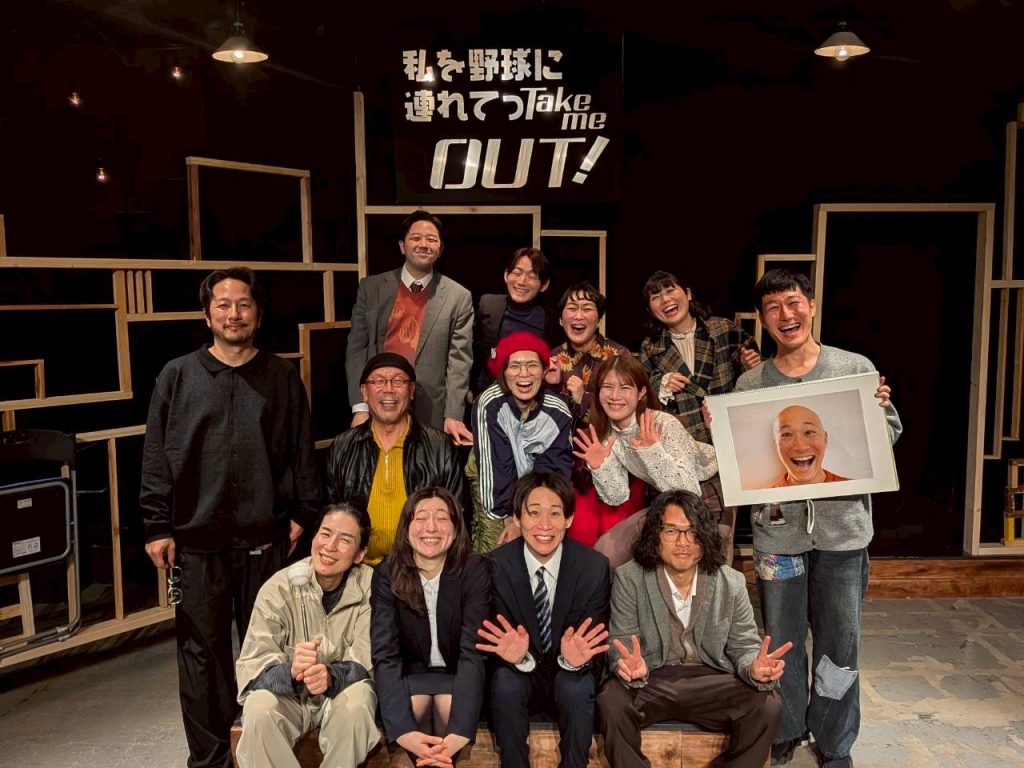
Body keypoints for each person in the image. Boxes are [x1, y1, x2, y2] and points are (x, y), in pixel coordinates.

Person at [140, 266, 320, 768]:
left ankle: (270, 752)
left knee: (272, 650)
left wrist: (304, 512)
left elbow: (301, 451)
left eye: (243, 304)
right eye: (223, 304)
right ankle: (211, 760)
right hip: (196, 541)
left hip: (266, 539)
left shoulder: (281, 376)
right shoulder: (178, 375)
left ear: (258, 315)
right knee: (202, 658)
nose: (233, 313)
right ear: (207, 314)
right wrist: (157, 525)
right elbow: (156, 455)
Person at [734, 268, 901, 768]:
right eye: (773, 308)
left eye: (793, 303)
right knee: (781, 641)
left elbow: (887, 438)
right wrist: (726, 429)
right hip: (777, 538)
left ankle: (834, 741)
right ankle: (786, 728)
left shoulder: (852, 368)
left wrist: (879, 412)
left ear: (811, 304)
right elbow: (744, 457)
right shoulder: (750, 383)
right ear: (763, 319)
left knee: (839, 645)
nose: (785, 315)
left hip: (843, 534)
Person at [598, 490, 790, 768]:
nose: (683, 542)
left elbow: (744, 644)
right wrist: (626, 665)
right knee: (611, 701)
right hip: (652, 677)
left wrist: (754, 667)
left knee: (768, 706)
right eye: (671, 531)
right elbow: (621, 640)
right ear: (655, 535)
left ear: (705, 537)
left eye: (692, 532)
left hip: (710, 679)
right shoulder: (630, 578)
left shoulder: (731, 582)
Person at [476, 472, 611, 768]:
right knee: (506, 683)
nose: (545, 525)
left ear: (569, 519)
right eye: (534, 513)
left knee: (576, 687)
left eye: (555, 514)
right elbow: (488, 643)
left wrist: (576, 660)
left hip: (569, 670)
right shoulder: (494, 566)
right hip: (519, 669)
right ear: (517, 518)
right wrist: (515, 657)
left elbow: (596, 646)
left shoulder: (593, 567)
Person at [235, 504, 379, 768]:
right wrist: (291, 671)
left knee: (359, 701)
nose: (330, 546)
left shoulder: (373, 587)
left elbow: (370, 660)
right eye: (325, 533)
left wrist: (331, 676)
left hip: (339, 694)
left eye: (345, 540)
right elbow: (252, 669)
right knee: (259, 707)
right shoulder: (278, 588)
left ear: (360, 554)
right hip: (293, 698)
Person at [370, 488, 490, 767]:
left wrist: (460, 731)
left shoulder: (474, 569)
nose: (431, 528)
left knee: (449, 707)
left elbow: (473, 653)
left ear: (456, 527)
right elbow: (385, 654)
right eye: (421, 517)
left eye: (442, 518)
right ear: (406, 526)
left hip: (460, 674)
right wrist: (402, 731)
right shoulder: (387, 573)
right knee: (414, 709)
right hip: (413, 674)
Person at [571, 355, 719, 568]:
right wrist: (601, 467)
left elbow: (689, 491)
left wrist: (652, 451)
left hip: (709, 491)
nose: (615, 396)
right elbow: (617, 496)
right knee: (607, 552)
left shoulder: (663, 424)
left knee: (700, 560)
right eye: (607, 387)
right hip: (666, 497)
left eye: (625, 387)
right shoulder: (608, 433)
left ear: (641, 392)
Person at [345, 209, 474, 445]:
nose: (424, 244)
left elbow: (459, 361)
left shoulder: (458, 297)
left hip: (431, 410)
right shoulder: (371, 288)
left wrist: (453, 414)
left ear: (440, 249)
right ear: (402, 246)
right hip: (378, 402)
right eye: (416, 238)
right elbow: (357, 350)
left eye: (431, 239)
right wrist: (361, 406)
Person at [326, 352, 464, 565]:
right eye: (379, 381)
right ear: (364, 392)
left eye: (398, 381)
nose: (389, 389)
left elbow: (456, 513)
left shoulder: (439, 446)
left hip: (421, 565)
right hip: (359, 567)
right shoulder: (343, 447)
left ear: (411, 391)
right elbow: (332, 514)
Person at [546, 282, 643, 546]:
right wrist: (552, 387)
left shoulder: (618, 356)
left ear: (598, 318)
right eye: (572, 308)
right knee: (580, 548)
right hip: (571, 475)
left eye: (587, 308)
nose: (578, 315)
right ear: (560, 318)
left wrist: (584, 397)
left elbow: (631, 410)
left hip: (617, 470)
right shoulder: (551, 360)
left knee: (618, 549)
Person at [468, 332, 573, 553]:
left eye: (532, 365)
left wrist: (531, 516)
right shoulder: (490, 403)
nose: (524, 374)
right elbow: (497, 467)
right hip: (493, 480)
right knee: (497, 547)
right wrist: (510, 518)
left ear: (544, 371)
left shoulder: (558, 413)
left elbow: (554, 472)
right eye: (514, 366)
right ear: (503, 372)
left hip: (537, 482)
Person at [640, 270, 760, 445]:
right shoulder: (651, 347)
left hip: (730, 433)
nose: (665, 300)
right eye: (656, 297)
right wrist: (661, 383)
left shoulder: (722, 329)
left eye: (670, 290)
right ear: (651, 310)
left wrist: (749, 368)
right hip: (683, 442)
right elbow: (641, 392)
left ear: (688, 294)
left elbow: (756, 372)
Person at [472, 247, 552, 395]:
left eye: (532, 276)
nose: (522, 281)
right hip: (488, 392)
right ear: (506, 275)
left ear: (544, 285)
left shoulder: (549, 319)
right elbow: (474, 351)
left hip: (531, 396)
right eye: (517, 272)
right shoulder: (488, 305)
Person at [769, 405, 851, 487]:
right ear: (776, 444)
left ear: (825, 439)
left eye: (809, 432)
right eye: (787, 434)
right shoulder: (768, 495)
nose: (801, 447)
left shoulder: (852, 489)